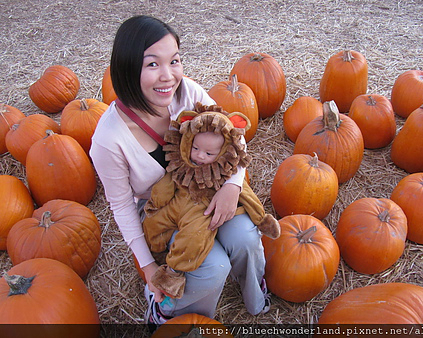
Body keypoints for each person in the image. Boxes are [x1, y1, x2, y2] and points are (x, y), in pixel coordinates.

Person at [90, 15, 271, 329]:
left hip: (213, 187)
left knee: (244, 238)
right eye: (152, 65)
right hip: (162, 206)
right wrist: (148, 268)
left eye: (174, 61)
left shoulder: (188, 93)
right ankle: (174, 313)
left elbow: (232, 136)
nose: (167, 76)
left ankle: (255, 294)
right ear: (127, 68)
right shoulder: (108, 138)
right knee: (213, 268)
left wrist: (233, 186)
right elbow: (120, 205)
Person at [142, 105, 281, 299]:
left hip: (204, 213)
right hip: (178, 205)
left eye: (209, 154)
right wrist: (155, 203)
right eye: (195, 148)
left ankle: (174, 273)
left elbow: (247, 195)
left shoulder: (223, 168)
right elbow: (166, 185)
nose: (199, 156)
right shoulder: (181, 167)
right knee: (154, 226)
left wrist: (261, 217)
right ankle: (163, 272)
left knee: (197, 237)